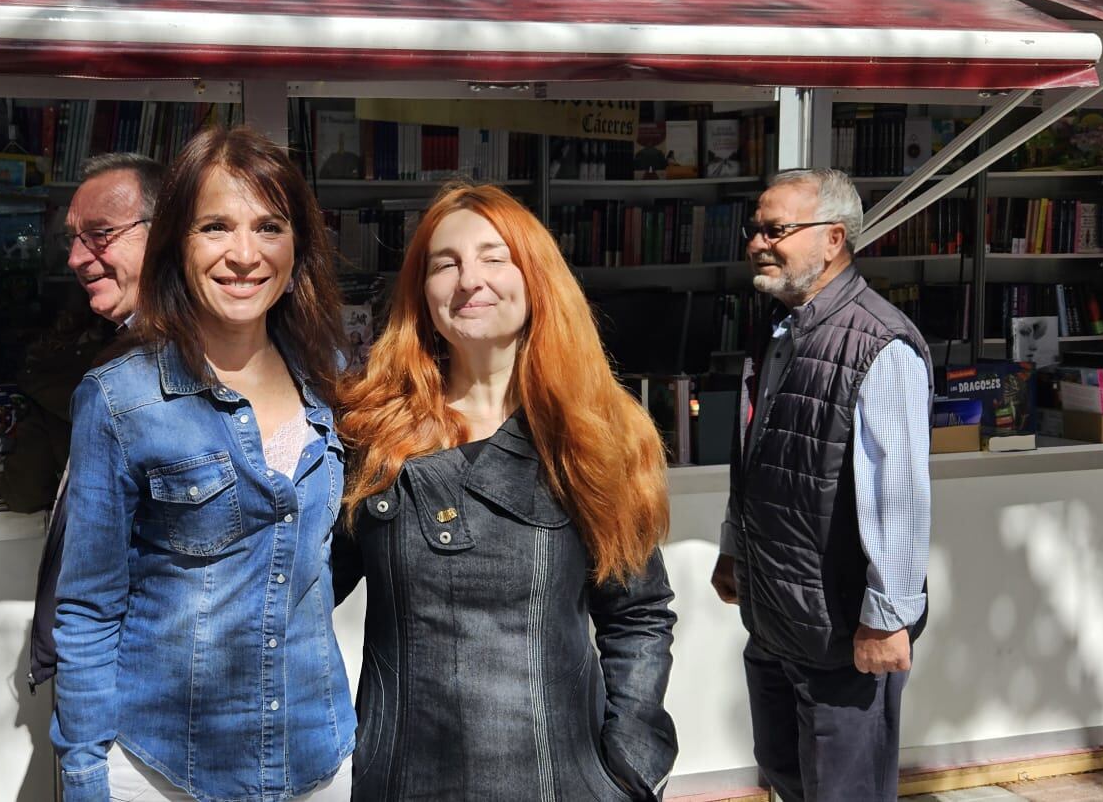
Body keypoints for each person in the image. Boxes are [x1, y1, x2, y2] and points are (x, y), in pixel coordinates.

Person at [334, 183, 678, 800]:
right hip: (402, 783)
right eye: (446, 263)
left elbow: (638, 616)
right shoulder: (372, 436)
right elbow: (300, 594)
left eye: (495, 258)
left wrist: (629, 761)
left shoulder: (597, 436)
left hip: (559, 782)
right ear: (422, 292)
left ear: (536, 277)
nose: (471, 280)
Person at [51, 126, 353, 802]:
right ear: (177, 246)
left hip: (317, 757)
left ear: (297, 246)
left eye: (269, 226)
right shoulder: (120, 398)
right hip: (164, 769)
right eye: (215, 226)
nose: (244, 255)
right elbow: (88, 610)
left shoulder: (331, 381)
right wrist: (83, 773)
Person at [709, 168, 932, 802]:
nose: (757, 242)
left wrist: (889, 618)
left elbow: (900, 493)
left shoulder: (879, 342)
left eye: (775, 229)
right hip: (777, 617)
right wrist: (735, 548)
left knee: (845, 793)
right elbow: (757, 461)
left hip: (845, 635)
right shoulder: (777, 327)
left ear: (833, 239)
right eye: (755, 229)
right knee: (784, 773)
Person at [16, 152, 164, 693]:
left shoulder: (190, 364)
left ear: (166, 231)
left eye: (101, 234)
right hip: (104, 672)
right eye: (74, 239)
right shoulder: (113, 359)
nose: (77, 258)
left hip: (140, 685)